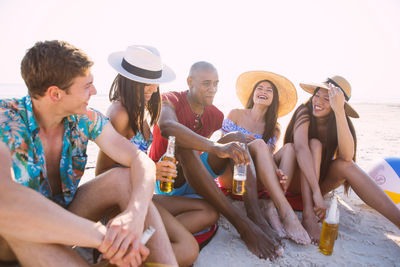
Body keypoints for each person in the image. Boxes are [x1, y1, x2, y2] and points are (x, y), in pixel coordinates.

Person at [0, 40, 178, 267]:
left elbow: (139, 159)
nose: (94, 92)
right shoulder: (5, 121)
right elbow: (7, 200)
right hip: (16, 235)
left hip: (69, 219)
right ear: (55, 94)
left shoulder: (85, 118)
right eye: (86, 86)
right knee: (18, 224)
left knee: (124, 178)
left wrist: (134, 215)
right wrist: (103, 239)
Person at [95, 45, 218, 266]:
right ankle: (119, 256)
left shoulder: (139, 111)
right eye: (146, 82)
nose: (153, 88)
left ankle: (148, 236)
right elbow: (102, 175)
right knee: (188, 249)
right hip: (122, 204)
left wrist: (156, 167)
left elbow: (137, 159)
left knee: (208, 212)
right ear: (130, 80)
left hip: (142, 196)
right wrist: (152, 169)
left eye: (155, 80)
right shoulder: (119, 114)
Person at [149, 61, 284, 260]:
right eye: (206, 83)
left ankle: (254, 213)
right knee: (184, 147)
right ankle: (242, 225)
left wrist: (239, 145)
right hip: (168, 178)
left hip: (197, 180)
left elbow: (217, 150)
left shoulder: (215, 115)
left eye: (216, 84)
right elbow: (168, 126)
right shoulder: (170, 99)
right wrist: (215, 147)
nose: (212, 89)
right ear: (190, 82)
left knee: (237, 138)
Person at [283, 75, 400, 243]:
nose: (318, 101)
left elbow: (346, 157)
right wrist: (316, 193)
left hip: (317, 186)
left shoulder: (339, 120)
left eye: (327, 98)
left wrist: (339, 113)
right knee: (314, 144)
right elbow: (300, 148)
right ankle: (308, 215)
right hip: (293, 183)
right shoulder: (304, 110)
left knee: (347, 166)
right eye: (317, 95)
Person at [218, 71, 311, 244]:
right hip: (232, 175)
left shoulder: (274, 127)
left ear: (273, 98)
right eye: (260, 88)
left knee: (289, 148)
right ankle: (285, 212)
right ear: (253, 94)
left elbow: (266, 157)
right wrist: (239, 138)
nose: (264, 91)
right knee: (259, 144)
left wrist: (277, 171)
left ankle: (270, 205)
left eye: (269, 90)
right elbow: (219, 147)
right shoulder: (236, 114)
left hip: (257, 180)